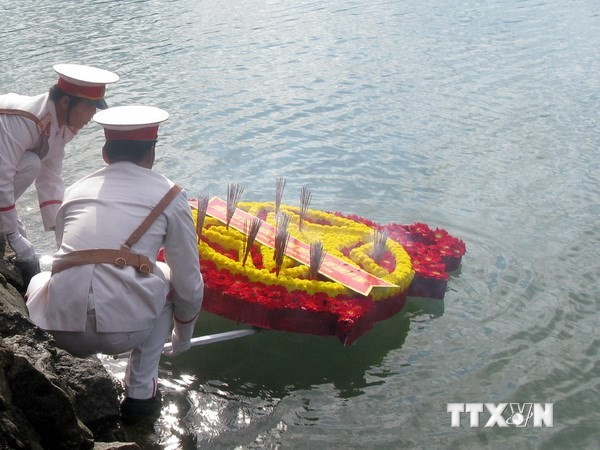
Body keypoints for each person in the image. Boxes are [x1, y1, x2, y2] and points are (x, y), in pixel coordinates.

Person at [25, 105, 204, 425]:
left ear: (105, 153)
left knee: (43, 275)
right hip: (122, 332)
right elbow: (189, 282)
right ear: (150, 153)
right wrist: (183, 337)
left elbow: (69, 258)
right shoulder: (171, 194)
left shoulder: (76, 189)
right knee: (167, 276)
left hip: (60, 328)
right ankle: (140, 392)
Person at [0, 63, 119, 276]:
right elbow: (2, 179)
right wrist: (12, 233)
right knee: (15, 230)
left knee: (32, 165)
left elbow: (50, 180)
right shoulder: (23, 121)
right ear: (66, 102)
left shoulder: (60, 126)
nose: (92, 116)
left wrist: (62, 239)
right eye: (90, 107)